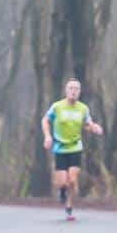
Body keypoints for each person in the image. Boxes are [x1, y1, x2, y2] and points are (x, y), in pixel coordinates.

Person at [41, 78, 103, 221]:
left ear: (80, 92)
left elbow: (87, 124)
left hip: (75, 147)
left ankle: (69, 207)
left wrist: (94, 128)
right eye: (71, 88)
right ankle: (62, 190)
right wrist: (47, 137)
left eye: (77, 89)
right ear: (66, 90)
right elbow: (45, 120)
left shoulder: (83, 108)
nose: (74, 91)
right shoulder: (57, 107)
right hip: (60, 148)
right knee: (62, 181)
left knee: (73, 180)